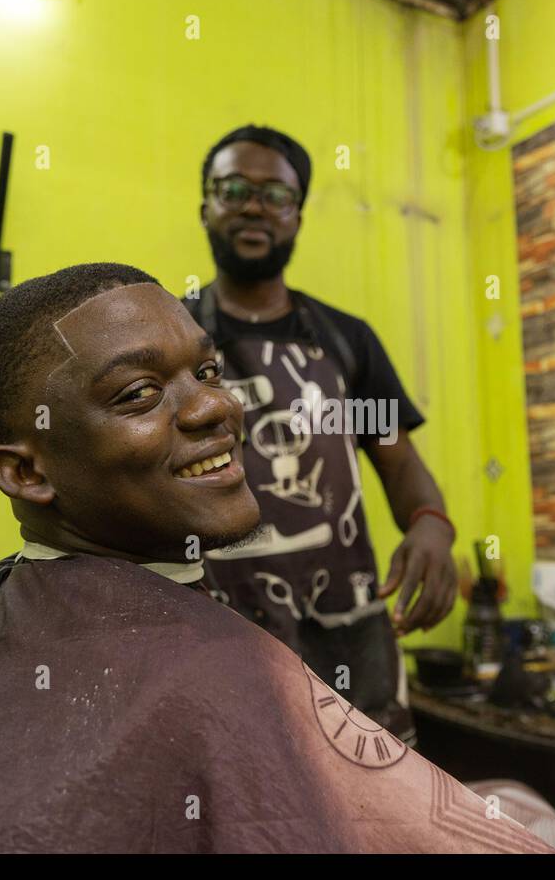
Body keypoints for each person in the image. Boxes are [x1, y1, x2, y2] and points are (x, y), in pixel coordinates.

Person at [0, 263, 555, 854]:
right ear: (27, 470)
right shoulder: (219, 678)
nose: (216, 410)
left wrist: (430, 521)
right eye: (142, 394)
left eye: (208, 371)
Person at [186, 125, 457, 743]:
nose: (255, 206)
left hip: (349, 629)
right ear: (207, 206)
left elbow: (397, 461)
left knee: (368, 806)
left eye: (276, 195)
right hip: (215, 627)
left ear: (297, 218)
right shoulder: (174, 336)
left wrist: (431, 524)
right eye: (235, 189)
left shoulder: (344, 339)